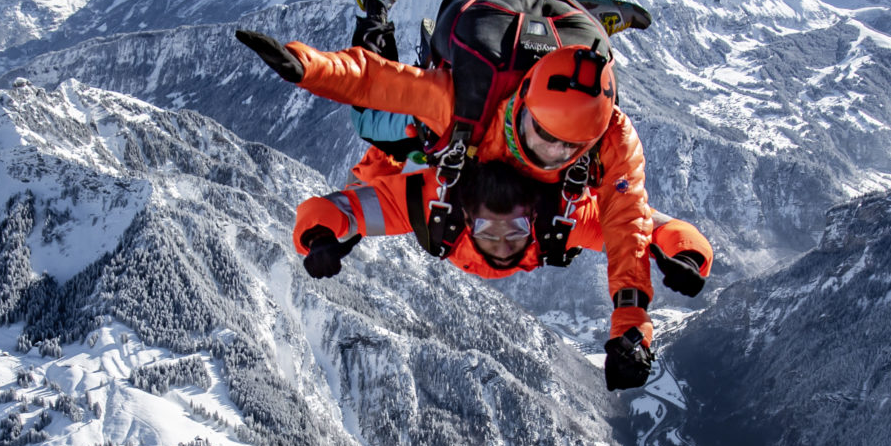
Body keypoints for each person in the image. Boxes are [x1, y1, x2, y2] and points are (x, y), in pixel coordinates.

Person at [238, 24, 666, 389]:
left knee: (380, 131)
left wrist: (631, 321)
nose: (553, 153)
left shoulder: (611, 137)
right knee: (373, 122)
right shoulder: (465, 103)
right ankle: (373, 21)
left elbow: (629, 220)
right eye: (544, 134)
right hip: (441, 134)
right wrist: (309, 68)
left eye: (571, 147)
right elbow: (380, 82)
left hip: (470, 157)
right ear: (524, 107)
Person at [294, 158, 713, 296]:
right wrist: (320, 236)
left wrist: (684, 254)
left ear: (532, 217)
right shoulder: (427, 202)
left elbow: (652, 225)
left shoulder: (564, 217)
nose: (500, 244)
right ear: (465, 219)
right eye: (490, 230)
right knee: (379, 163)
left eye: (512, 229)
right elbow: (342, 208)